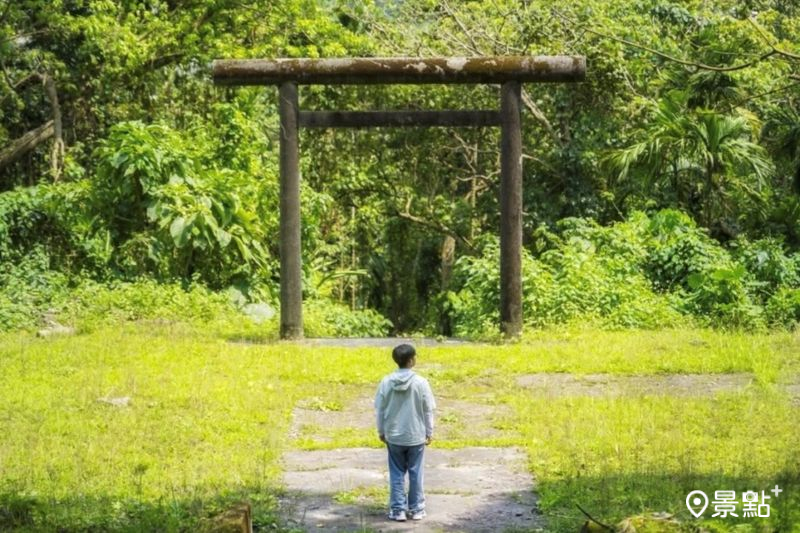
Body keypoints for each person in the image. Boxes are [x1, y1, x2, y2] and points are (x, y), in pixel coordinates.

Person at [374, 343, 436, 522]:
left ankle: (398, 510)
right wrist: (429, 431)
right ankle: (417, 509)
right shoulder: (421, 383)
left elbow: (380, 410)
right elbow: (428, 410)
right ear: (411, 360)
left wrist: (381, 431)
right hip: (416, 435)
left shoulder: (386, 381)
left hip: (394, 435)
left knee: (396, 473)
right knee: (416, 473)